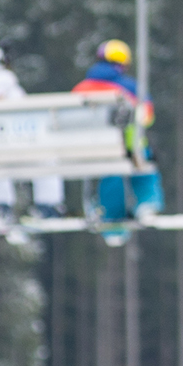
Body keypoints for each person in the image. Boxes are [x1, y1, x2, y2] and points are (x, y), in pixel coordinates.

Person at [73, 39, 163, 246]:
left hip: (88, 148)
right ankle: (146, 204)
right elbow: (146, 116)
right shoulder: (128, 86)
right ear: (123, 63)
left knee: (110, 173)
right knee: (143, 159)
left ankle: (112, 220)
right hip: (125, 147)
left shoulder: (81, 88)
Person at [0, 45, 67, 221]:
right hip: (19, 150)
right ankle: (47, 205)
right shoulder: (13, 91)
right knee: (46, 157)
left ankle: (1, 206)